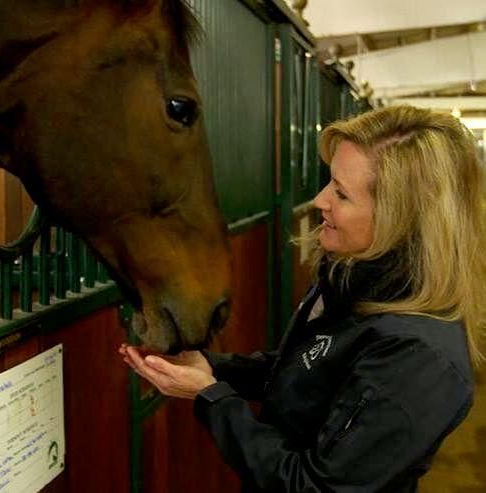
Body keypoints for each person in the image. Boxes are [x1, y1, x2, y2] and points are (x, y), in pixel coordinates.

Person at [119, 105, 486, 492]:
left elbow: (313, 486)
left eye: (341, 194)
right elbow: (305, 373)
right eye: (330, 181)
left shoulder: (418, 358)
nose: (319, 200)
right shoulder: (353, 278)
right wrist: (206, 367)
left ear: (400, 218)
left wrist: (210, 396)